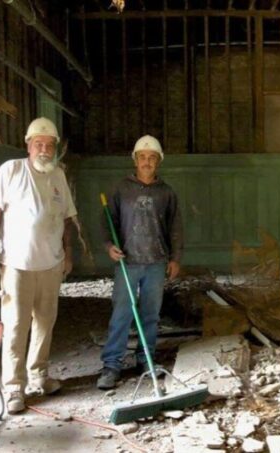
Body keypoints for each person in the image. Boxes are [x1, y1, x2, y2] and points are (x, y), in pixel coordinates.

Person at [0, 117, 77, 414]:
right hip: (17, 264)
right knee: (16, 326)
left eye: (49, 145)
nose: (44, 150)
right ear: (29, 145)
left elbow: (66, 219)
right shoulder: (11, 170)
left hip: (51, 264)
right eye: (39, 144)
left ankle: (40, 376)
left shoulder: (58, 175)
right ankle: (14, 388)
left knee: (45, 324)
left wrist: (68, 253)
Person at [97, 135, 183, 390]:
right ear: (135, 160)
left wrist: (175, 258)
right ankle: (112, 365)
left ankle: (145, 359)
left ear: (158, 162)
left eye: (152, 158)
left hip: (156, 262)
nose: (147, 162)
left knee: (150, 315)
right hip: (128, 262)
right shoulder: (120, 189)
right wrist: (108, 246)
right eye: (142, 157)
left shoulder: (166, 192)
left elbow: (176, 228)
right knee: (121, 314)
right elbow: (107, 221)